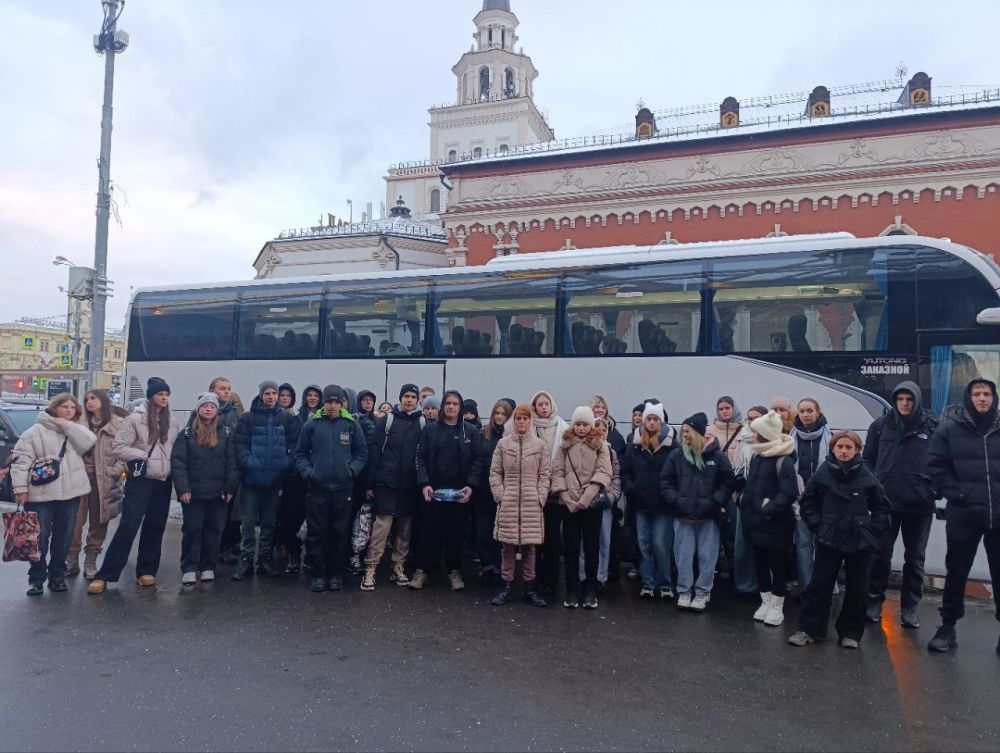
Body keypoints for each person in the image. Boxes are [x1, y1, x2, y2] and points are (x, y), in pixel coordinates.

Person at [788, 431, 890, 649]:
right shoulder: (823, 474)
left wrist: (872, 531)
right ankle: (808, 629)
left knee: (857, 588)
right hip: (829, 538)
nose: (844, 451)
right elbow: (808, 502)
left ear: (857, 450)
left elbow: (882, 507)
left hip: (859, 541)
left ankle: (851, 633)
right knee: (819, 586)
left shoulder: (866, 476)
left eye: (848, 447)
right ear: (833, 449)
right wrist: (817, 525)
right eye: (840, 447)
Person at [926, 378, 1000, 655]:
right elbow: (936, 466)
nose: (982, 398)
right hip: (964, 513)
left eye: (987, 394)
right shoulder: (949, 431)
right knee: (957, 571)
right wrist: (957, 494)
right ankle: (947, 627)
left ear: (994, 397)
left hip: (999, 514)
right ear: (969, 398)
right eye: (977, 394)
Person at [89, 378, 180, 594]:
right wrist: (144, 455)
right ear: (151, 397)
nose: (164, 398)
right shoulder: (134, 419)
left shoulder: (173, 421)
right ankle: (106, 574)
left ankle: (146, 570)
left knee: (156, 526)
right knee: (129, 525)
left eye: (167, 394)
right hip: (141, 478)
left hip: (163, 481)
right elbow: (119, 447)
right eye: (160, 394)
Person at [864, 381, 937, 628]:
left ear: (917, 400)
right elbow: (867, 461)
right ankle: (874, 601)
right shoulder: (880, 426)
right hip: (886, 504)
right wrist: (874, 488)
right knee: (880, 556)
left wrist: (933, 489)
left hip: (920, 506)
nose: (905, 404)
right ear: (895, 401)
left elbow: (943, 463)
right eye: (900, 399)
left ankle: (909, 608)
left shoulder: (933, 427)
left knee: (915, 559)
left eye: (909, 399)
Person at [10, 393, 96, 596]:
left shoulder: (76, 431)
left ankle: (57, 576)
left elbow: (89, 442)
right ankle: (36, 579)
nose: (69, 411)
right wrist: (20, 489)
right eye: (64, 407)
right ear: (54, 407)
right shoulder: (34, 433)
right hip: (41, 495)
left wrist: (67, 425)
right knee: (40, 537)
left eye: (72, 408)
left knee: (64, 536)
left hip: (70, 494)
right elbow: (21, 462)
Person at [294, 384, 369, 593]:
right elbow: (299, 454)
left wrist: (351, 471)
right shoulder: (311, 425)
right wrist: (309, 473)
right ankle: (318, 575)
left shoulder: (351, 425)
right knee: (316, 533)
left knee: (339, 531)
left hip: (343, 488)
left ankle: (336, 574)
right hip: (316, 488)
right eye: (329, 401)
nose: (333, 405)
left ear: (342, 403)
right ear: (323, 402)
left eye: (337, 402)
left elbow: (362, 453)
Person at [660, 413, 735, 612]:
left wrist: (713, 503)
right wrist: (676, 501)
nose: (683, 435)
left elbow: (727, 483)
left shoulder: (717, 456)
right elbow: (665, 482)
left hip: (708, 517)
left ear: (698, 432)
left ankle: (702, 592)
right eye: (682, 431)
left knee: (707, 556)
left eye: (687, 431)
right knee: (683, 555)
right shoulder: (676, 455)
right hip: (683, 516)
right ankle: (684, 590)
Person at [410, 390, 483, 591]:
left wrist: (471, 485)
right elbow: (421, 458)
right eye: (448, 403)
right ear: (443, 407)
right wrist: (424, 483)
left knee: (456, 534)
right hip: (433, 492)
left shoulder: (470, 431)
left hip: (460, 493)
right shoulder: (430, 430)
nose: (451, 407)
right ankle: (422, 571)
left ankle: (454, 571)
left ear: (460, 408)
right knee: (428, 533)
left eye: (455, 404)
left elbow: (477, 460)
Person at [171, 393, 241, 585]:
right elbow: (178, 463)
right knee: (193, 529)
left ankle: (208, 566)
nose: (208, 409)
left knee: (214, 529)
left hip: (218, 493)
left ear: (217, 410)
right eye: (204, 406)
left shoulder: (226, 433)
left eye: (212, 406)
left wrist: (230, 489)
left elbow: (232, 464)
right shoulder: (186, 434)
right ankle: (189, 567)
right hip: (193, 493)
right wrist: (183, 489)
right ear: (198, 409)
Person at [232, 380, 298, 580]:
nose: (271, 397)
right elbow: (239, 444)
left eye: (274, 393)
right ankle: (245, 560)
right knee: (249, 522)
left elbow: (295, 444)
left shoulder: (286, 419)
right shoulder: (248, 418)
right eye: (267, 393)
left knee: (269, 522)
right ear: (261, 395)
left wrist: (287, 463)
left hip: (274, 481)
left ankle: (264, 561)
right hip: (251, 481)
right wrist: (248, 462)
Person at [362, 384, 424, 591]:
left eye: (412, 397)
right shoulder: (386, 421)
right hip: (386, 483)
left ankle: (398, 566)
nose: (409, 400)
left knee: (404, 531)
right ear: (400, 398)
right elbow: (375, 453)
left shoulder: (422, 423)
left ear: (417, 400)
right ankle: (370, 568)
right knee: (381, 529)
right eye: (406, 396)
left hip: (409, 485)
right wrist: (370, 483)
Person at [489, 404, 551, 607]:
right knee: (507, 548)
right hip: (508, 502)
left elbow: (545, 475)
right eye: (518, 419)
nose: (521, 422)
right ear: (513, 421)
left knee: (529, 549)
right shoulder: (503, 444)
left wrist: (540, 497)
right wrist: (500, 495)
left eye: (525, 419)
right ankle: (506, 588)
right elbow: (495, 473)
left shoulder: (540, 446)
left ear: (530, 421)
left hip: (531, 504)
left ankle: (530, 589)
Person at [739, 410, 798, 626]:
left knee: (778, 566)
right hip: (755, 522)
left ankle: (777, 605)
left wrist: (767, 509)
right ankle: (765, 601)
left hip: (776, 524)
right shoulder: (758, 456)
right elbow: (751, 486)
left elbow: (788, 493)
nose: (752, 435)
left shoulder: (784, 460)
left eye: (756, 432)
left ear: (764, 434)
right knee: (760, 564)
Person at [550, 406, 612, 609]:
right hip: (569, 506)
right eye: (578, 424)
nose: (581, 428)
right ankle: (572, 589)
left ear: (591, 425)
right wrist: (566, 498)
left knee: (592, 548)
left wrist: (586, 498)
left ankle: (590, 589)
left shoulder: (600, 444)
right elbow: (557, 472)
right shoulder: (565, 445)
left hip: (591, 505)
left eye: (585, 424)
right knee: (571, 548)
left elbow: (604, 472)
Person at [66, 390, 127, 580]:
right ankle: (71, 560)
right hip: (78, 480)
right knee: (74, 522)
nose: (89, 402)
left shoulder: (118, 424)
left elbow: (124, 452)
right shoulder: (78, 424)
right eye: (86, 400)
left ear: (103, 401)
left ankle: (91, 561)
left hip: (104, 481)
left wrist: (115, 471)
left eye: (93, 398)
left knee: (99, 522)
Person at [622, 402, 675, 599]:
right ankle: (648, 583)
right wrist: (631, 489)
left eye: (655, 419)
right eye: (648, 419)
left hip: (663, 505)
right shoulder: (635, 445)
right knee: (643, 544)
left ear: (661, 422)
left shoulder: (672, 446)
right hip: (640, 504)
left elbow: (676, 474)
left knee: (661, 544)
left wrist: (670, 495)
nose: (652, 423)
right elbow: (625, 472)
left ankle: (665, 584)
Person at [790, 398, 832, 592]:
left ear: (818, 412)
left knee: (824, 545)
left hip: (824, 499)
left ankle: (824, 587)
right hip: (800, 499)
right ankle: (807, 588)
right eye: (802, 411)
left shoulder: (829, 437)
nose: (805, 414)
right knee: (803, 546)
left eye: (809, 410)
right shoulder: (792, 437)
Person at [530, 390, 570, 595]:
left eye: (546, 404)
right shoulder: (529, 426)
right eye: (540, 404)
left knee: (553, 538)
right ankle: (533, 578)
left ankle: (551, 580)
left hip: (555, 495)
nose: (543, 407)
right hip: (534, 493)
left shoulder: (564, 427)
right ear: (534, 407)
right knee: (535, 539)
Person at [280, 384, 322, 574]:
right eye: (309, 395)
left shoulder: (325, 418)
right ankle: (293, 554)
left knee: (315, 521)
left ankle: (312, 557)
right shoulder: (295, 418)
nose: (312, 398)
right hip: (297, 477)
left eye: (316, 395)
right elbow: (291, 444)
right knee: (293, 519)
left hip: (318, 478)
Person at [730, 405, 769, 595]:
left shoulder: (772, 440)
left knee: (762, 545)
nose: (751, 421)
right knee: (742, 544)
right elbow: (738, 467)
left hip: (763, 500)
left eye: (756, 418)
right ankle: (744, 586)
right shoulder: (743, 439)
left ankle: (764, 587)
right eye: (749, 418)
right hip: (744, 499)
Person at [706, 396, 745, 589]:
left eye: (727, 408)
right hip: (714, 489)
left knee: (733, 536)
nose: (724, 411)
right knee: (713, 535)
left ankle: (736, 575)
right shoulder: (710, 431)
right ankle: (711, 574)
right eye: (720, 408)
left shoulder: (744, 431)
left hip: (734, 491)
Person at [588, 395, 625, 585]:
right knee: (584, 543)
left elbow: (617, 475)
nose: (600, 432)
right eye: (597, 406)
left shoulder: (613, 448)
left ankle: (601, 577)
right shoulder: (582, 447)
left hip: (605, 501)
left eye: (603, 430)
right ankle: (584, 576)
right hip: (585, 500)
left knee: (605, 540)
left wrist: (610, 496)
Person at [474, 399, 512, 584]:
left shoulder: (512, 436)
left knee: (501, 534)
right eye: (497, 413)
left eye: (503, 414)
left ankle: (499, 567)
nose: (499, 417)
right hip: (483, 491)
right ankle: (487, 564)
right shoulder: (483, 434)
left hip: (505, 492)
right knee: (483, 532)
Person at [207, 377, 243, 565]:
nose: (227, 392)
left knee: (229, 511)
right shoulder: (205, 411)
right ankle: (212, 549)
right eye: (223, 388)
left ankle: (226, 547)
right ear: (212, 390)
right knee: (213, 513)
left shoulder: (235, 413)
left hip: (230, 468)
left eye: (229, 388)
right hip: (210, 470)